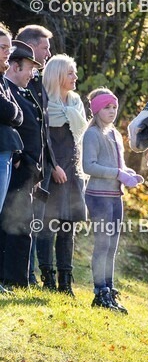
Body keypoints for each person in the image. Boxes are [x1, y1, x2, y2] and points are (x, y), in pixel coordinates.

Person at [81, 88, 144, 312]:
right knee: (103, 244)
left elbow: (119, 164)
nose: (112, 111)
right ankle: (100, 292)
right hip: (98, 197)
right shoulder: (92, 134)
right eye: (107, 107)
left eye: (114, 107)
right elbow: (88, 166)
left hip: (116, 197)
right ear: (97, 109)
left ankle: (109, 289)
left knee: (112, 246)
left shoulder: (115, 134)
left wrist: (129, 173)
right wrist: (118, 174)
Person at [0, 41, 51, 289]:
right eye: (30, 67)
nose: (33, 74)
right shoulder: (6, 89)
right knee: (12, 225)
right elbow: (12, 121)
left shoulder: (20, 93)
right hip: (17, 168)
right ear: (15, 66)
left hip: (28, 171)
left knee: (22, 225)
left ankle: (18, 280)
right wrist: (21, 157)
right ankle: (10, 278)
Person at [38, 54, 88, 296]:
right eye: (70, 73)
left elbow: (80, 138)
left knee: (68, 227)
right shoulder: (44, 102)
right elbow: (42, 141)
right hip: (51, 172)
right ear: (57, 75)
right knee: (48, 227)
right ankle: (47, 278)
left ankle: (65, 283)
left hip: (73, 172)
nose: (75, 77)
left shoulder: (76, 103)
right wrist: (53, 167)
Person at [15, 25, 54, 287]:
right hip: (22, 159)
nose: (49, 53)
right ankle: (22, 274)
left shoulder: (38, 81)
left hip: (41, 162)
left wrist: (48, 162)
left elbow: (43, 127)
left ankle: (29, 274)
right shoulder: (18, 80)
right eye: (44, 48)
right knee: (18, 218)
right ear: (30, 46)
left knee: (34, 219)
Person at [0, 26, 24, 295]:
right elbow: (9, 111)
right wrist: (12, 113)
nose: (8, 53)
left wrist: (12, 113)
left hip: (6, 153)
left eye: (9, 48)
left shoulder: (2, 81)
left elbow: (16, 114)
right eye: (3, 47)